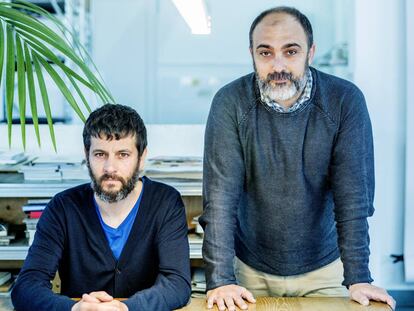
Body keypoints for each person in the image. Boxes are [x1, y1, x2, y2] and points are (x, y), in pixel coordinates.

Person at [200, 6, 396, 311]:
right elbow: (220, 200)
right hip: (248, 269)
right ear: (252, 54)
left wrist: (358, 276)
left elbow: (353, 198)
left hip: (326, 269)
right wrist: (221, 279)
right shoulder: (230, 102)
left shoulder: (344, 101)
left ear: (311, 52)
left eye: (291, 52)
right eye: (265, 53)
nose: (278, 65)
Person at [12, 104, 191, 311]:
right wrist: (75, 309)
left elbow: (177, 283)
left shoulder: (165, 202)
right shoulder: (62, 208)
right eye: (100, 154)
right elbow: (26, 286)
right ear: (86, 155)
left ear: (141, 158)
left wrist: (125, 309)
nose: (110, 168)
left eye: (123, 154)